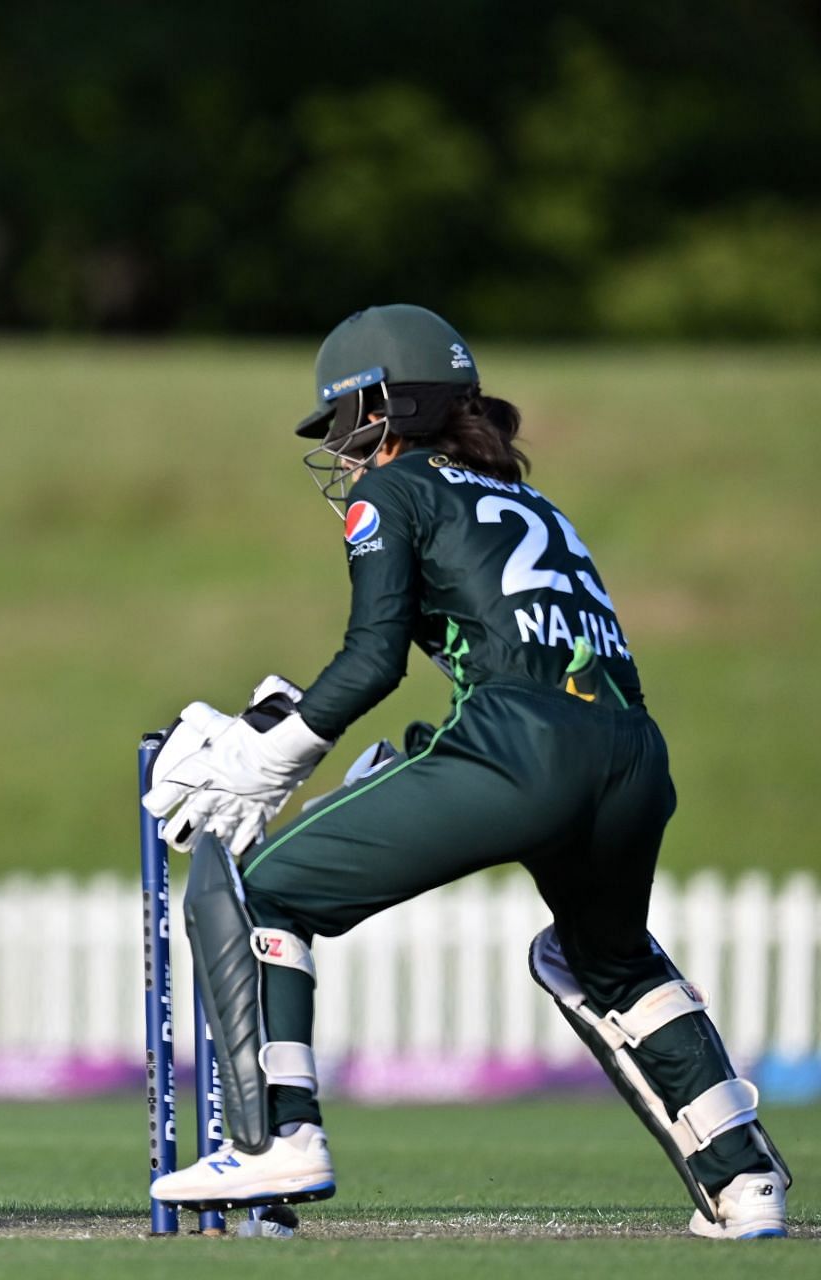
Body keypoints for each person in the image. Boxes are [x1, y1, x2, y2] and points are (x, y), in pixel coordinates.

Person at [140, 305, 791, 1239]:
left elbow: (373, 658)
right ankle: (745, 1182)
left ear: (386, 407)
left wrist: (266, 757)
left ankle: (277, 1140)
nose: (344, 451)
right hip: (633, 752)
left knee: (262, 896)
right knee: (606, 959)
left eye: (346, 424)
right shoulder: (537, 504)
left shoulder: (396, 489)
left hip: (519, 747)